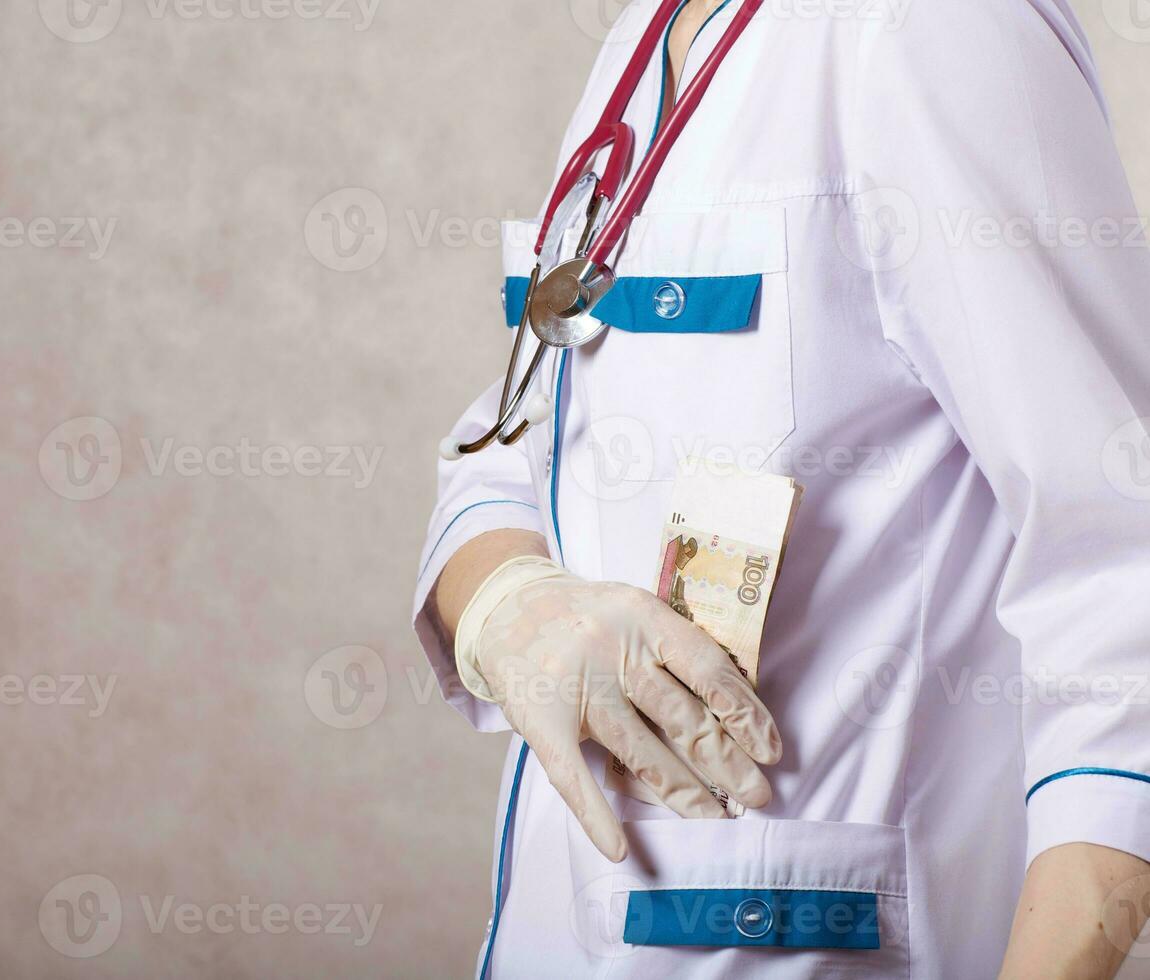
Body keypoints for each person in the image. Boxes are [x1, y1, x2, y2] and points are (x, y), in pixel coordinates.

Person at [412, 0, 1150, 976]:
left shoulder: (935, 29)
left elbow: (1119, 563)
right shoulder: (652, 35)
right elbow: (524, 425)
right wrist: (508, 604)